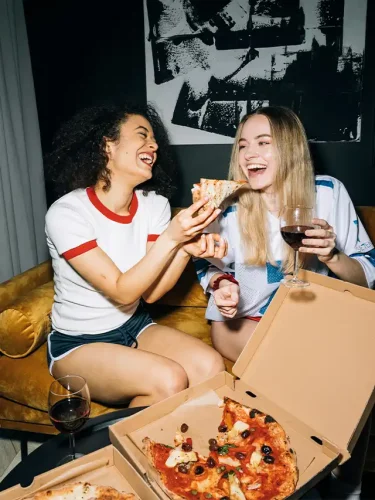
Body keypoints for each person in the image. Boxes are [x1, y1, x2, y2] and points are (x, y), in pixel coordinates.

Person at [194, 105, 375, 499]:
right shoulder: (229, 202)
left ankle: (346, 485)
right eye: (243, 145)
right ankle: (294, 480)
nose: (249, 154)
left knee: (362, 373)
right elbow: (205, 265)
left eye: (263, 143)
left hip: (314, 319)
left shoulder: (327, 192)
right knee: (308, 366)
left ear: (290, 148)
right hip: (244, 322)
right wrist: (221, 282)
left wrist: (332, 257)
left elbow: (368, 273)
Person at [45, 102, 227, 409]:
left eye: (155, 140)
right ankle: (126, 454)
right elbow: (122, 291)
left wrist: (183, 249)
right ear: (108, 145)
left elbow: (152, 294)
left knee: (211, 367)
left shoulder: (154, 205)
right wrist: (172, 238)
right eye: (142, 135)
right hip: (78, 342)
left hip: (134, 326)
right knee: (169, 380)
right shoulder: (67, 212)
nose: (154, 145)